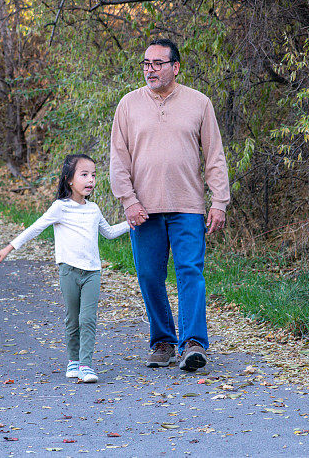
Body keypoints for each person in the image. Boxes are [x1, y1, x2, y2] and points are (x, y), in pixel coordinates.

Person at [110, 38, 230, 372]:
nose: (151, 69)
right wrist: (128, 200)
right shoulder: (128, 105)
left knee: (190, 272)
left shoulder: (199, 103)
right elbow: (118, 159)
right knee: (149, 275)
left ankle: (193, 343)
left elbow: (215, 157)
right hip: (143, 209)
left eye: (158, 63)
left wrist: (219, 201)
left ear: (175, 67)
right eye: (146, 63)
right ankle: (162, 342)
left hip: (188, 205)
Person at [0, 154, 130, 383]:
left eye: (93, 175)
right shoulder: (60, 208)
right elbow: (35, 228)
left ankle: (86, 365)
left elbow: (109, 233)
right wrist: (9, 248)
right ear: (69, 180)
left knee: (88, 319)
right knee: (72, 318)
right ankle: (73, 361)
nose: (90, 180)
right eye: (84, 175)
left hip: (92, 273)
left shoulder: (93, 209)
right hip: (68, 272)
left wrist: (132, 223)